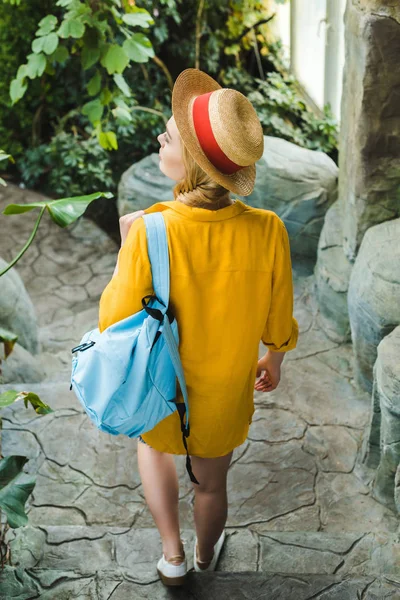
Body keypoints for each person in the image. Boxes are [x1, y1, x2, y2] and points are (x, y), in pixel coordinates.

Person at [98, 68, 299, 585]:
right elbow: (279, 313)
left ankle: (173, 556)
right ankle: (208, 554)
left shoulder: (149, 228)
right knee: (212, 484)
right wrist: (273, 357)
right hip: (226, 392)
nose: (159, 141)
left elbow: (115, 319)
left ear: (185, 160)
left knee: (152, 449)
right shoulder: (268, 230)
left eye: (166, 137)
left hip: (164, 386)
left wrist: (128, 249)